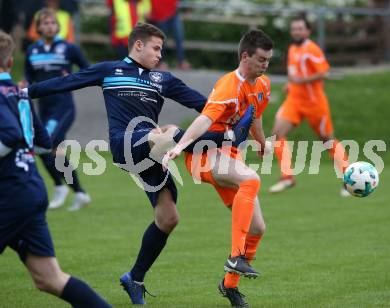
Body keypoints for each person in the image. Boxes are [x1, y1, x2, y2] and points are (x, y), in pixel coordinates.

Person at [25, 22, 254, 305]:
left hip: (152, 153)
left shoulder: (163, 79)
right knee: (167, 132)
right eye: (156, 48)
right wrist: (22, 93)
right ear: (138, 45)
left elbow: (205, 106)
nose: (160, 54)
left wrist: (230, 113)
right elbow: (64, 82)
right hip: (125, 144)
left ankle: (134, 278)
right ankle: (229, 138)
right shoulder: (109, 70)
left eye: (162, 49)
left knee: (169, 218)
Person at [0, 30, 111, 308]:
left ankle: (74, 189)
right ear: (11, 62)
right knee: (49, 278)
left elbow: (11, 135)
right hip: (29, 189)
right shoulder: (18, 94)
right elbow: (43, 143)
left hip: (11, 194)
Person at [164, 29, 274, 307]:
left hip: (229, 154)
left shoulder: (262, 85)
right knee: (250, 179)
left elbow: (255, 119)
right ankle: (236, 256)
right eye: (261, 59)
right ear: (245, 56)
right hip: (204, 154)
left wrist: (261, 143)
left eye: (268, 60)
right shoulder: (228, 86)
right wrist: (180, 145)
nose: (265, 65)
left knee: (257, 228)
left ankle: (230, 286)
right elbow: (204, 120)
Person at [268, 16, 349, 196]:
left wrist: (301, 81)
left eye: (300, 28)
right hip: (295, 101)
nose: (296, 31)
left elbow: (324, 73)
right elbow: (295, 73)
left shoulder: (311, 49)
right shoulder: (292, 49)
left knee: (327, 140)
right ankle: (287, 177)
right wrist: (290, 85)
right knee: (276, 134)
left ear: (307, 31)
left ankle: (349, 178)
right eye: (294, 28)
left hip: (314, 103)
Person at [23, 8, 91, 211]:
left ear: (58, 26)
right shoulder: (32, 50)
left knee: (44, 147)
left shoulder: (69, 48)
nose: (49, 26)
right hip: (42, 109)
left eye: (53, 23)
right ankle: (78, 192)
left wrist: (71, 80)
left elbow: (88, 70)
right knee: (54, 152)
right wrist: (23, 83)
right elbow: (28, 76)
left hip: (63, 107)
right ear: (38, 28)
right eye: (45, 23)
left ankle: (61, 187)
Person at [149, 0, 190, 70]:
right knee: (161, 39)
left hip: (172, 12)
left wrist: (187, 6)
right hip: (160, 13)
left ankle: (181, 61)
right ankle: (161, 62)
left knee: (179, 37)